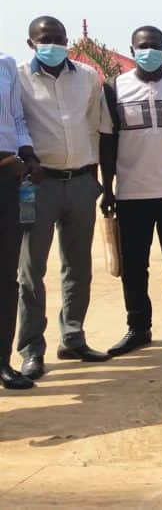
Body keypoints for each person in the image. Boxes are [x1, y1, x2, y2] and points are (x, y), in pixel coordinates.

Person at [17, 16, 112, 380]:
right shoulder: (19, 79)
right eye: (45, 40)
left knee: (78, 265)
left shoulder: (87, 77)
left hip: (81, 181)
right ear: (31, 43)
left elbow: (96, 127)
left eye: (58, 39)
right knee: (31, 270)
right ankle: (31, 349)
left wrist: (97, 179)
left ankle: (72, 336)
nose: (52, 45)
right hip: (36, 186)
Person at [99, 26, 162, 356]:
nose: (150, 51)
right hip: (132, 195)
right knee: (134, 266)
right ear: (132, 49)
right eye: (143, 46)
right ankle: (138, 328)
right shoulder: (115, 89)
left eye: (156, 46)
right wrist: (107, 188)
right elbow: (107, 143)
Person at [0, 51, 39, 389]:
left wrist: (26, 153)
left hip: (6, 175)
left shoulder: (5, 64)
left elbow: (16, 117)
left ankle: (3, 362)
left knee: (5, 276)